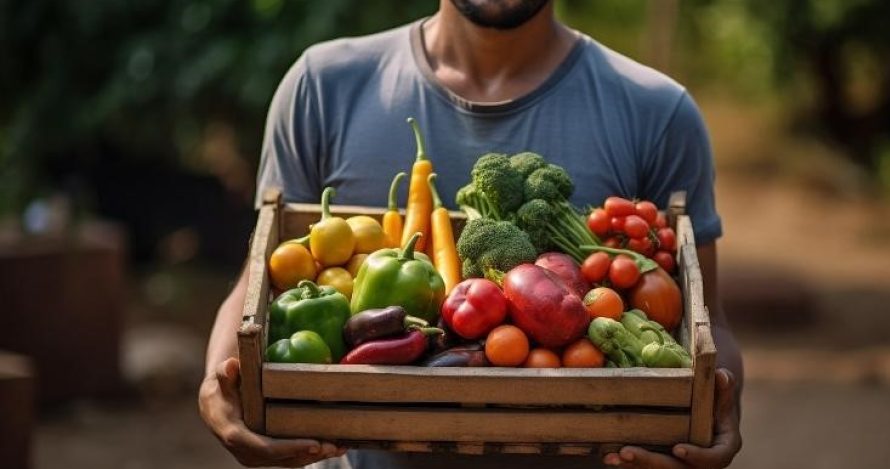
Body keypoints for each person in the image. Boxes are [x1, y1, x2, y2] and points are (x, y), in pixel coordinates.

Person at [198, 0, 744, 467]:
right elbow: (257, 283)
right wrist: (217, 385)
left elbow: (707, 319)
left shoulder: (658, 113)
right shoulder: (321, 88)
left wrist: (717, 404)